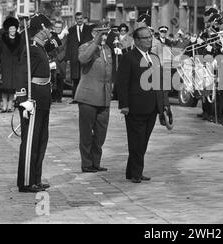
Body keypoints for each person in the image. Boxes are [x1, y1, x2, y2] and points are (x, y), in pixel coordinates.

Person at [117, 26, 171, 184]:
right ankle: (136, 173)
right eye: (146, 38)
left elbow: (160, 83)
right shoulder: (129, 57)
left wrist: (165, 104)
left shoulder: (154, 57)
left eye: (150, 37)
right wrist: (124, 105)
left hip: (153, 107)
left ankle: (132, 170)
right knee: (136, 141)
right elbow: (122, 83)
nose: (149, 40)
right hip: (135, 107)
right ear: (137, 40)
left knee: (144, 140)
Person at [16, 14, 61, 193]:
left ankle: (36, 178)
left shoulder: (41, 47)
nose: (50, 30)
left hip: (43, 98)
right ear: (40, 28)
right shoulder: (31, 48)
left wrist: (52, 35)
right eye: (47, 27)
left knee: (41, 140)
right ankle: (26, 181)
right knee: (30, 142)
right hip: (32, 99)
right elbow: (22, 74)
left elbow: (57, 45)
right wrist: (23, 99)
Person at [75, 28, 113, 173]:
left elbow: (109, 73)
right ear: (93, 33)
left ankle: (96, 162)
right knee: (86, 133)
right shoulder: (85, 46)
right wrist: (95, 42)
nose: (104, 36)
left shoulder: (108, 49)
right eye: (100, 33)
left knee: (100, 134)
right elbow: (83, 59)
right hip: (88, 97)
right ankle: (86, 163)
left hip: (104, 97)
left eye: (105, 33)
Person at [66, 12, 93, 103]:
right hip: (74, 58)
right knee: (75, 78)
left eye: (81, 18)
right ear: (75, 20)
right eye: (78, 19)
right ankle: (75, 98)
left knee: (85, 78)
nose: (79, 20)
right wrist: (68, 58)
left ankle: (85, 98)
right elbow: (68, 45)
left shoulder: (89, 29)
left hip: (85, 56)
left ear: (83, 19)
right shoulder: (71, 30)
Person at [0, 17, 23, 113]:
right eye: (11, 28)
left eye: (14, 28)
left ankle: (10, 106)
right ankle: (4, 106)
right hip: (5, 65)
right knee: (4, 87)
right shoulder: (3, 38)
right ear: (8, 29)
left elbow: (22, 52)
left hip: (15, 65)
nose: (12, 30)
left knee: (12, 87)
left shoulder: (19, 39)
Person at [49, 21, 67, 103]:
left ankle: (59, 97)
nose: (58, 29)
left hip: (61, 61)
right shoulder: (51, 37)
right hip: (52, 60)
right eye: (56, 27)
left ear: (62, 28)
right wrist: (52, 58)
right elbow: (48, 48)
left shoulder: (65, 37)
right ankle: (53, 96)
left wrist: (58, 58)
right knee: (53, 79)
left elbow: (66, 49)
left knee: (60, 79)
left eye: (59, 27)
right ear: (54, 27)